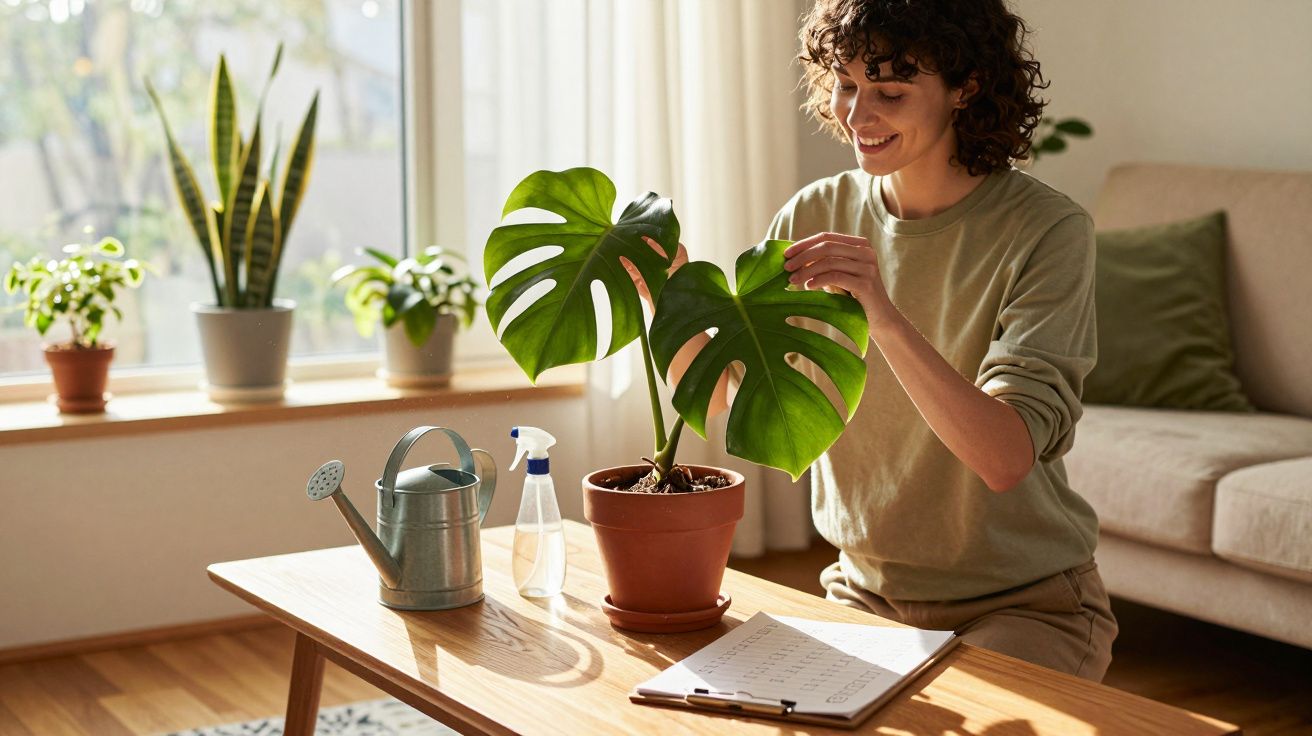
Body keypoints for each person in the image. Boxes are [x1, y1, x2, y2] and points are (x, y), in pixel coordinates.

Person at [638, 0, 1118, 681]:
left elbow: (1006, 458)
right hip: (862, 593)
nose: (856, 115)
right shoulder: (811, 213)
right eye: (845, 85)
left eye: (889, 92)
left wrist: (882, 316)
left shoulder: (1047, 231)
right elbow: (729, 395)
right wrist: (670, 294)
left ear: (965, 87)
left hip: (1022, 604)